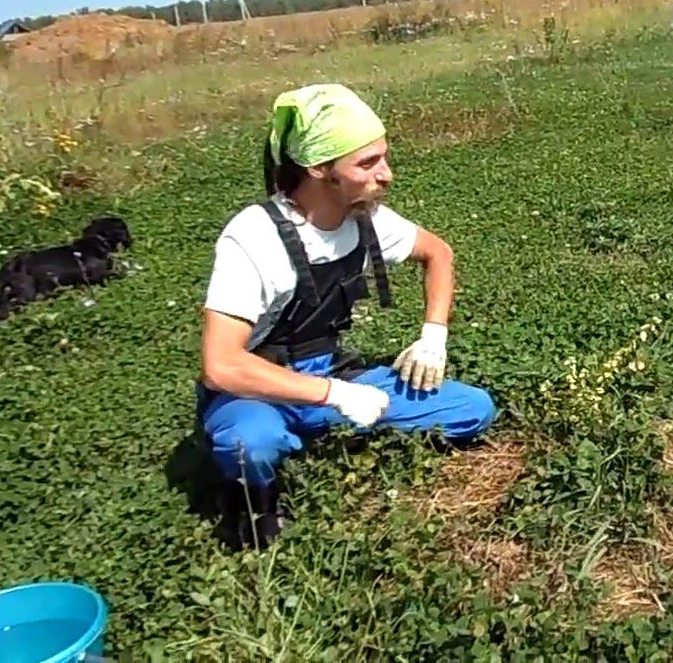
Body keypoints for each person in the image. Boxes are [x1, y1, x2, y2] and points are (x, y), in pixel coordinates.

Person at [197, 83, 497, 549]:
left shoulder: (366, 218)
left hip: (329, 372)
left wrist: (433, 335)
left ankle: (311, 433)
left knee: (472, 410)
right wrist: (334, 394)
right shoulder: (253, 237)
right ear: (319, 169)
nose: (388, 174)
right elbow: (222, 365)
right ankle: (256, 499)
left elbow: (438, 252)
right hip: (258, 388)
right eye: (367, 163)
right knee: (249, 444)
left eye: (384, 157)